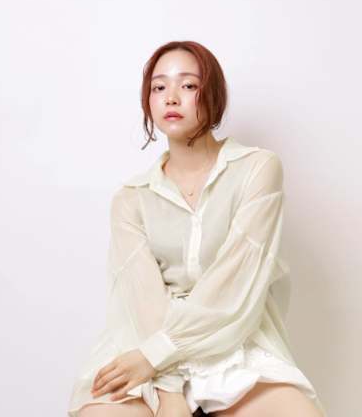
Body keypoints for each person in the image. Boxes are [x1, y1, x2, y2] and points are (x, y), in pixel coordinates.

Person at [67, 40, 327, 417]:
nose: (171, 97)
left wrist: (158, 355)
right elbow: (141, 299)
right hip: (144, 344)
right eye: (159, 87)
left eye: (188, 85)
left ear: (213, 94)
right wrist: (168, 386)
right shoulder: (131, 198)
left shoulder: (257, 169)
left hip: (232, 340)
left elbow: (235, 285)